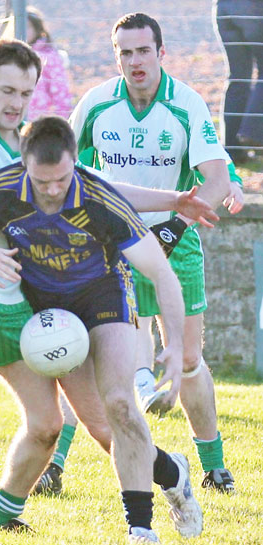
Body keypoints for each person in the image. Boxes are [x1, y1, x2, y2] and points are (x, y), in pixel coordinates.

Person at [0, 115, 204, 543]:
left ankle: (140, 530)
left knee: (122, 405)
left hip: (104, 296)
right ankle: (173, 472)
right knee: (105, 430)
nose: (51, 191)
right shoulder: (0, 189)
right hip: (51, 316)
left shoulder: (99, 197)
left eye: (61, 179)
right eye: (41, 182)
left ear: (74, 164)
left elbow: (161, 272)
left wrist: (175, 345)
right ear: (23, 163)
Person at [50, 12, 240, 497]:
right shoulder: (95, 106)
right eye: (125, 52)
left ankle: (213, 463)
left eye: (143, 51)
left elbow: (216, 180)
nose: (134, 61)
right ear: (117, 56)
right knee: (90, 357)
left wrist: (176, 228)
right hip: (113, 245)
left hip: (175, 242)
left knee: (191, 361)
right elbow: (65, 171)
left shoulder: (185, 105)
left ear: (161, 53)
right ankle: (54, 464)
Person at [214, 0, 263, 164]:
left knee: (238, 77)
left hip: (224, 8)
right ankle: (253, 135)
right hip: (253, 8)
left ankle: (233, 149)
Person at [26, 6, 72, 121]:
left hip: (41, 121)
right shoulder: (11, 56)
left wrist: (60, 122)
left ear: (37, 28)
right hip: (16, 120)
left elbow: (60, 92)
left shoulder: (49, 56)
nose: (24, 30)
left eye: (28, 27)